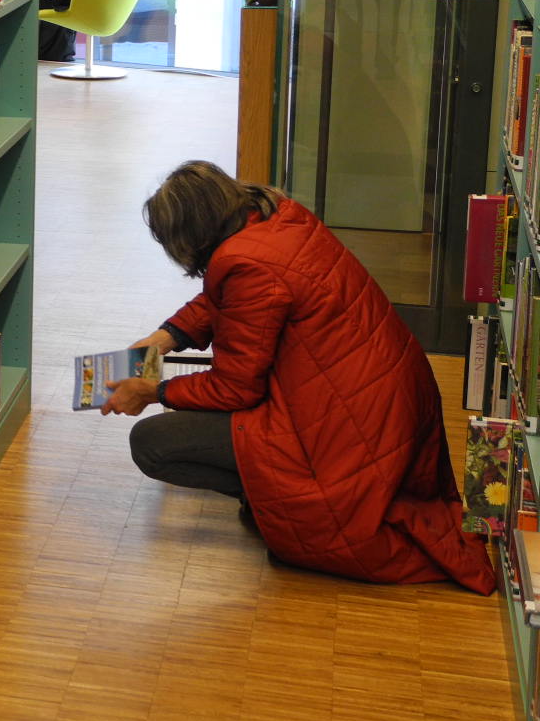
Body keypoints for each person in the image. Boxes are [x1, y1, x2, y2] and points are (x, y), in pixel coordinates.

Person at [101, 160, 496, 595]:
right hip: (376, 405)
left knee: (152, 444)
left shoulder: (243, 263)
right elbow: (229, 300)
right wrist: (166, 338)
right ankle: (267, 498)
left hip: (344, 431)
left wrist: (153, 391)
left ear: (188, 237)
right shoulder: (277, 219)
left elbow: (234, 388)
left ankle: (273, 502)